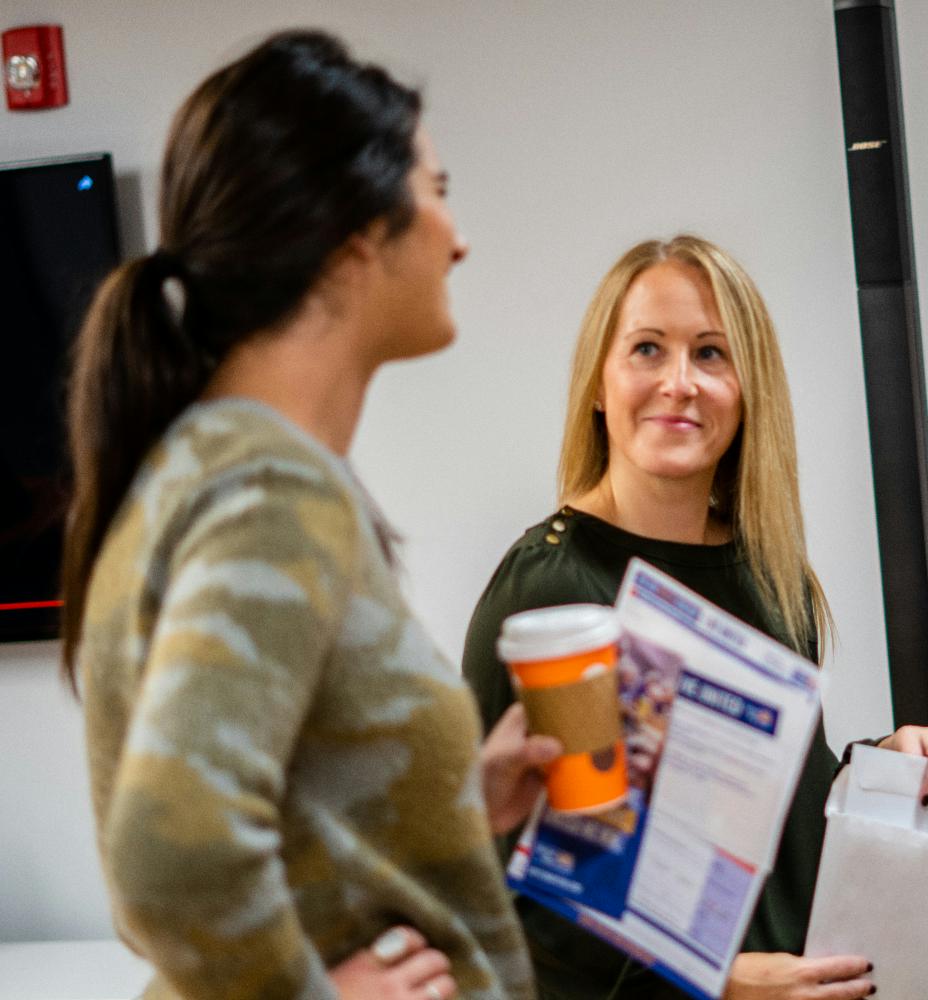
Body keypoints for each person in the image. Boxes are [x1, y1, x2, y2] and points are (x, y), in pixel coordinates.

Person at [61, 31, 559, 1000]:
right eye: (437, 189)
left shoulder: (197, 466)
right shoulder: (272, 491)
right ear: (359, 237)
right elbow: (171, 857)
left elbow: (244, 832)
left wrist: (459, 802)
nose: (458, 237)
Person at [462, 235, 928, 1000]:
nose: (680, 383)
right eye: (646, 349)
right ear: (598, 384)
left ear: (748, 389)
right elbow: (509, 893)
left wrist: (881, 768)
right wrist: (721, 983)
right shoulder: (551, 589)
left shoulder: (772, 577)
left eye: (711, 354)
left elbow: (754, 819)